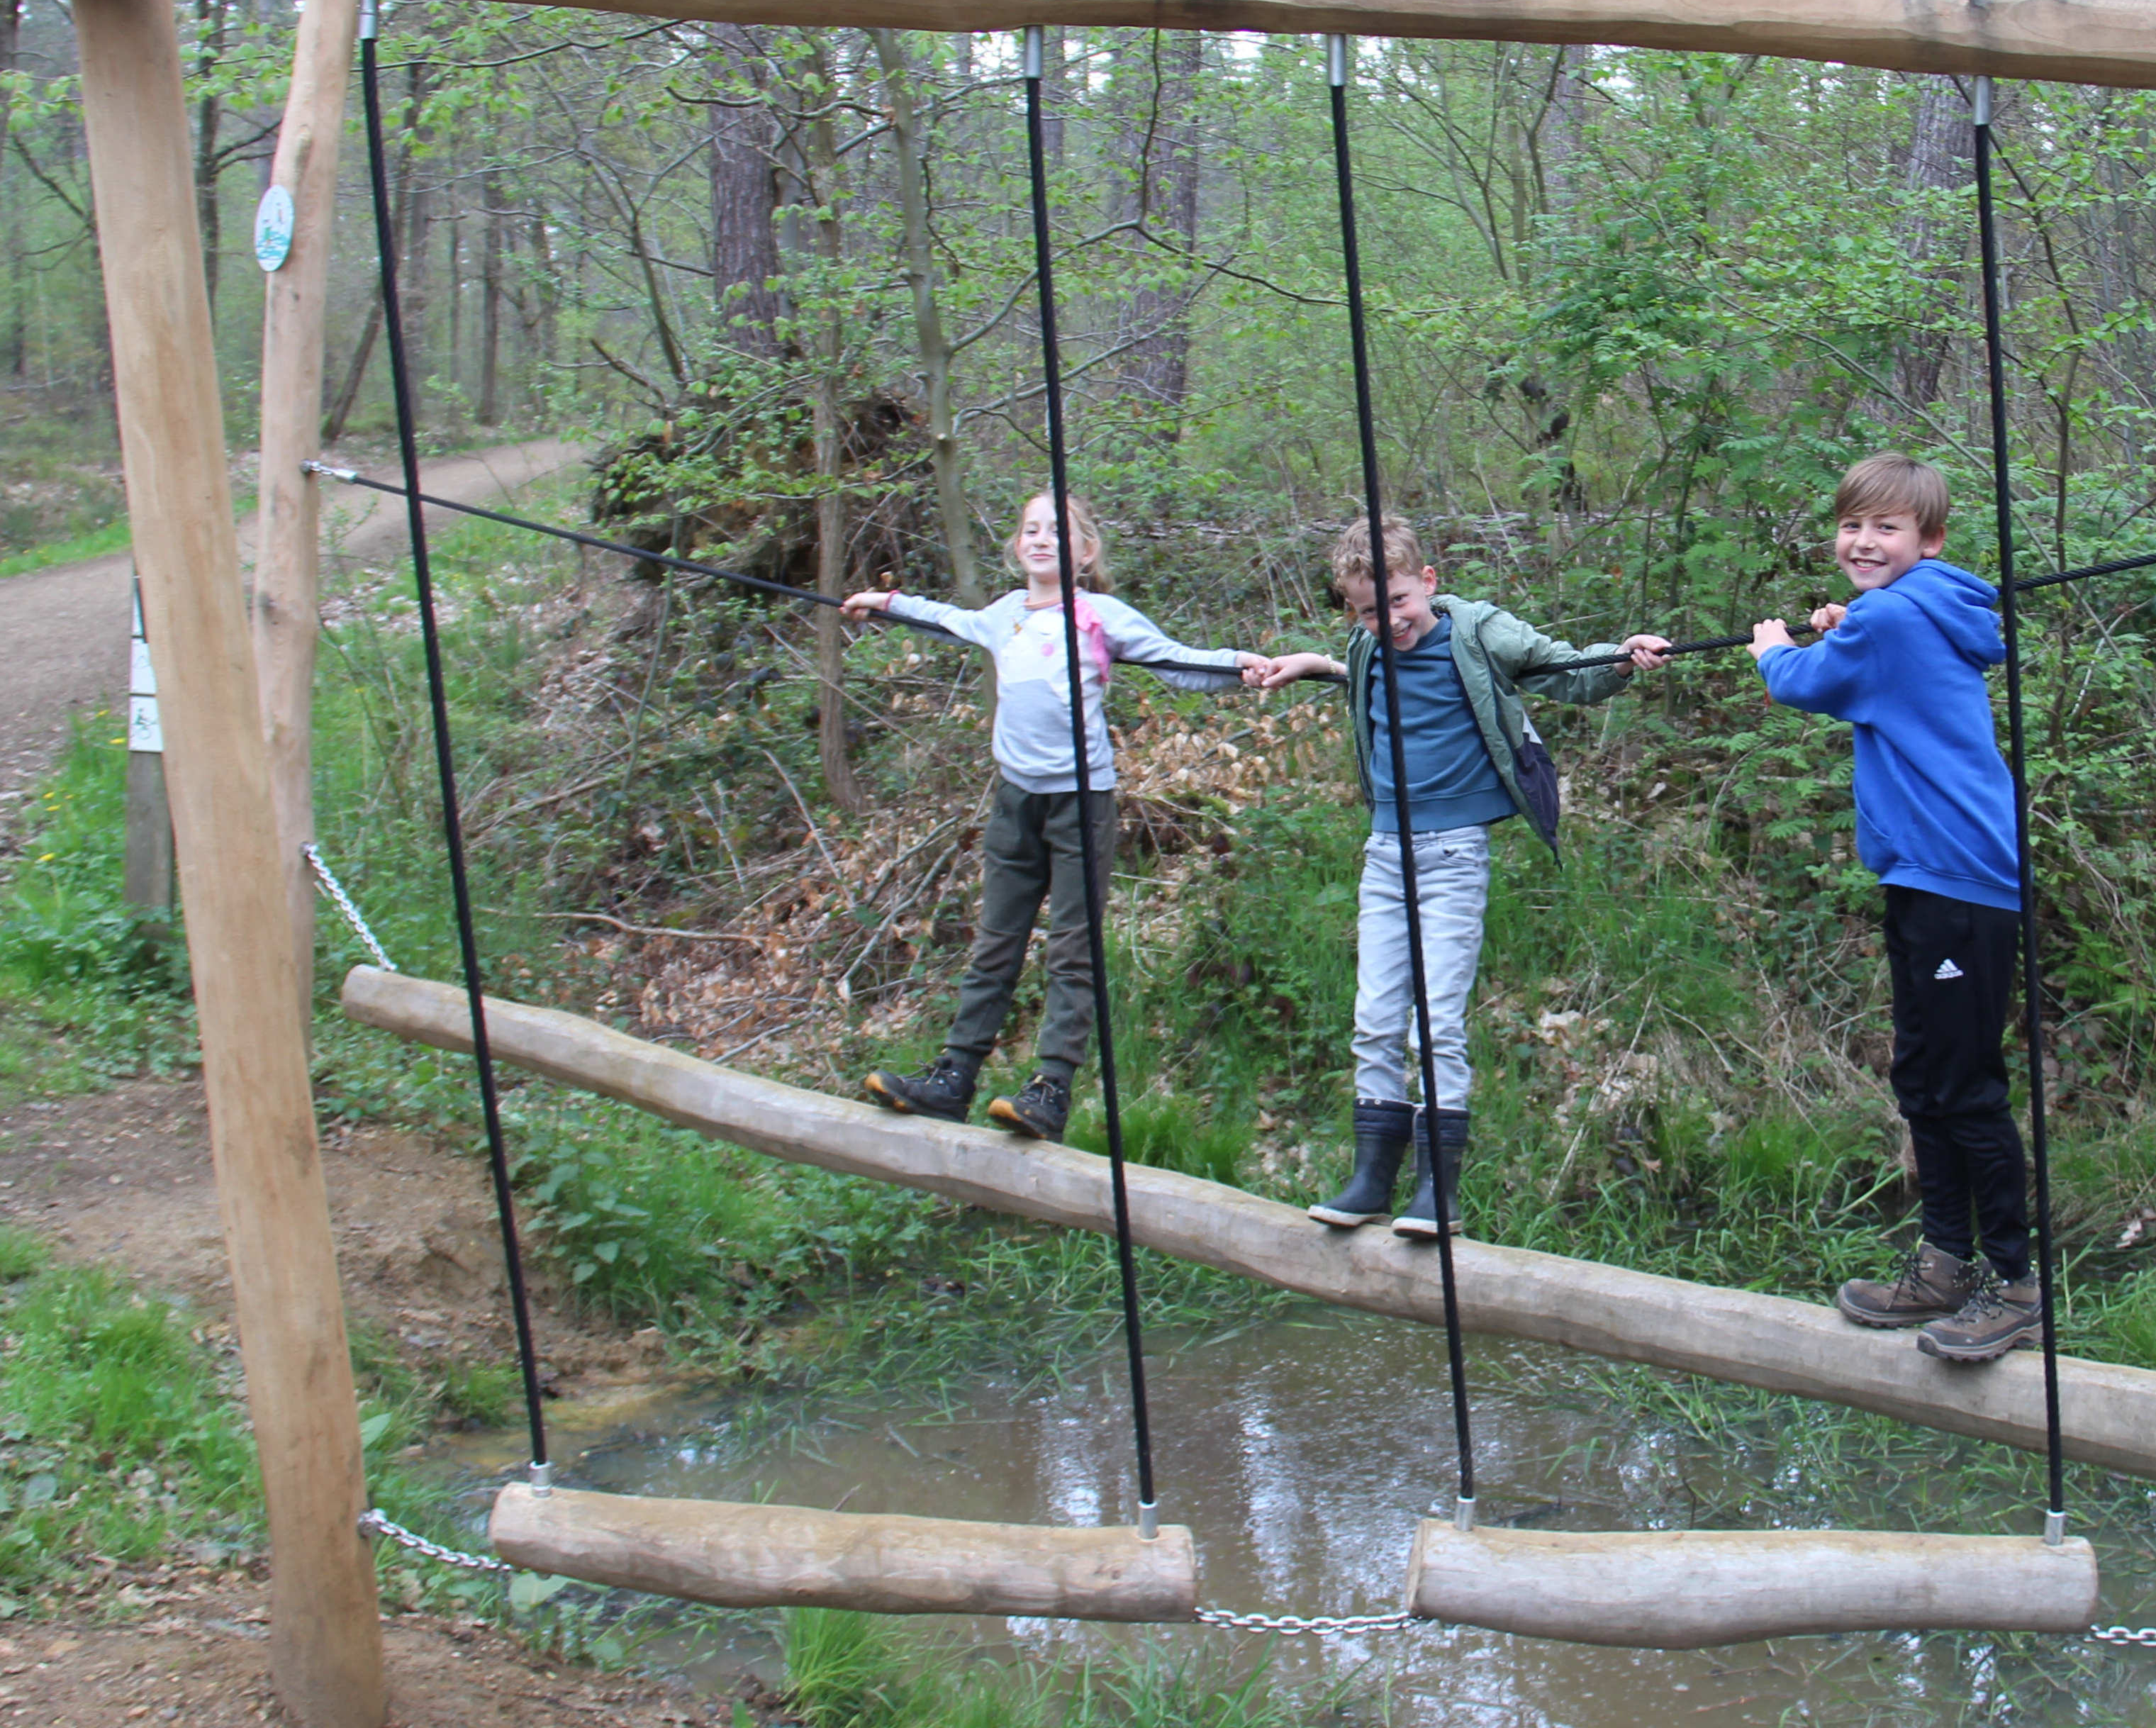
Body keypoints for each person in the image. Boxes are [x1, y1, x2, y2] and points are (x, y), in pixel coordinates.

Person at [1246, 516, 1670, 1237]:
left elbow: (1565, 669)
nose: (1389, 622)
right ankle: (1371, 1180)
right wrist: (1312, 663)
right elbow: (1368, 678)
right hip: (1386, 854)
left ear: (1428, 582)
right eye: (1369, 611)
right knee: (1374, 1021)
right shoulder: (1366, 646)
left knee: (1434, 1023)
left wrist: (1624, 658)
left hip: (1453, 855)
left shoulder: (1478, 633)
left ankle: (1435, 1192)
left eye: (1399, 602)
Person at [844, 491, 1266, 1141]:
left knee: (1072, 947)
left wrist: (1241, 667)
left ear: (1086, 552)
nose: (1042, 540)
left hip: (1080, 804)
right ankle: (954, 1077)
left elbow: (1175, 660)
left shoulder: (1099, 617)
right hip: (1015, 803)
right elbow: (946, 620)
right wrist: (885, 605)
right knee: (995, 943)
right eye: (1031, 530)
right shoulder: (1004, 615)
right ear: (1017, 546)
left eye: (1058, 532)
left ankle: (1050, 1087)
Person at [1749, 455, 2037, 1361]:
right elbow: (1875, 661)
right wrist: (1848, 624)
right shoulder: (1911, 610)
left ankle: (2015, 1284)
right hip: (1926, 875)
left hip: (1956, 876)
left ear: (1930, 540)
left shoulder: (1895, 615)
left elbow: (1805, 684)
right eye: (1852, 526)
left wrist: (1772, 648)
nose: (1864, 543)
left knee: (1964, 1087)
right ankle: (1945, 1262)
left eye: (1887, 528)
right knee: (1922, 1076)